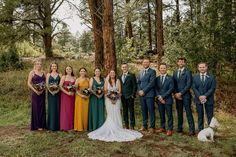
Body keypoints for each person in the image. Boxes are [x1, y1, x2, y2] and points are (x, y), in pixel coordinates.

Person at [88, 70, 142, 142]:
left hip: (117, 100)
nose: (112, 74)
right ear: (109, 74)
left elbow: (119, 91)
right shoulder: (107, 81)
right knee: (110, 114)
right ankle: (110, 127)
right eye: (111, 73)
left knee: (117, 113)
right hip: (108, 100)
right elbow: (105, 90)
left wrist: (115, 98)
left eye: (113, 73)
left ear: (115, 74)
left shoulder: (118, 80)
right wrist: (110, 98)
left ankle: (118, 127)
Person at [173, 57, 195, 136]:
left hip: (185, 96)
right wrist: (175, 94)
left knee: (188, 112)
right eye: (179, 62)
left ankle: (192, 130)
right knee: (179, 112)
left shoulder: (188, 72)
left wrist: (181, 93)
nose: (181, 63)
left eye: (182, 62)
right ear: (177, 63)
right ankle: (180, 128)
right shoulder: (175, 72)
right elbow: (174, 84)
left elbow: (188, 84)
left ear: (184, 63)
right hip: (177, 96)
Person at [192, 62, 216, 132]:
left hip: (209, 100)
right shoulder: (195, 77)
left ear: (206, 67)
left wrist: (205, 96)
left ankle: (210, 131)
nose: (202, 68)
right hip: (198, 100)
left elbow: (212, 88)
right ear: (198, 68)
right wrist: (199, 96)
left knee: (210, 116)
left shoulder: (211, 77)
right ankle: (201, 131)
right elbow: (194, 88)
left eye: (203, 67)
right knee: (200, 116)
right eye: (200, 67)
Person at [137, 58, 156, 133]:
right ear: (142, 63)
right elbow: (138, 82)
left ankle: (152, 127)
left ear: (149, 63)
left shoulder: (152, 72)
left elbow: (152, 83)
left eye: (147, 62)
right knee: (143, 110)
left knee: (151, 110)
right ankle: (144, 125)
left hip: (149, 94)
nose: (145, 63)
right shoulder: (140, 72)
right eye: (144, 62)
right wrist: (139, 90)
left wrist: (144, 91)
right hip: (141, 95)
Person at [155, 63, 174, 136]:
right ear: (159, 69)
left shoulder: (170, 78)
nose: (162, 69)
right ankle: (162, 127)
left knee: (169, 115)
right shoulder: (157, 78)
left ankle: (169, 129)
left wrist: (163, 97)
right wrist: (159, 97)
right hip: (159, 99)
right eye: (161, 68)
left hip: (167, 99)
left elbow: (171, 89)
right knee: (161, 114)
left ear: (166, 69)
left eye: (164, 68)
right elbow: (156, 88)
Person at [27, 59, 46, 130]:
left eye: (40, 64)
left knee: (42, 107)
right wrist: (35, 90)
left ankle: (42, 124)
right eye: (37, 64)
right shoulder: (32, 72)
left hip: (42, 92)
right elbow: (28, 83)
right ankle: (37, 125)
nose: (39, 65)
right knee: (36, 108)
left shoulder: (43, 72)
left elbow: (45, 82)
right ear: (35, 65)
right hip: (35, 93)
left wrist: (43, 89)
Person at [119, 63, 137, 129]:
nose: (124, 68)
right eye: (123, 67)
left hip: (130, 96)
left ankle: (132, 125)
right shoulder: (119, 76)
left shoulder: (131, 75)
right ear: (121, 68)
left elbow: (134, 86)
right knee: (125, 111)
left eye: (125, 67)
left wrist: (133, 95)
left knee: (131, 111)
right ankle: (126, 125)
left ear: (127, 67)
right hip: (123, 97)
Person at [59, 66, 76, 131]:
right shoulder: (64, 77)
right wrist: (67, 92)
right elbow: (60, 86)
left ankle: (71, 126)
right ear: (65, 70)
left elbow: (76, 86)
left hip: (72, 96)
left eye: (70, 69)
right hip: (65, 95)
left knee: (71, 110)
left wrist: (73, 92)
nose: (68, 70)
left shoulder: (74, 77)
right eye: (67, 69)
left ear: (72, 70)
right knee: (65, 110)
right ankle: (65, 126)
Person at [46, 62, 61, 131]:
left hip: (58, 93)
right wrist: (51, 91)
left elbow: (61, 85)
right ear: (51, 67)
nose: (54, 67)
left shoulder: (60, 75)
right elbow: (47, 84)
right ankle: (50, 126)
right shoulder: (48, 74)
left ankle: (57, 125)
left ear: (57, 67)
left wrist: (57, 91)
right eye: (53, 66)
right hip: (50, 94)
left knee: (57, 108)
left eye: (55, 66)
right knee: (51, 108)